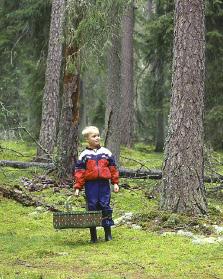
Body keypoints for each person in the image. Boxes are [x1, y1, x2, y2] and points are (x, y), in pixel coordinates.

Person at [73, 126, 119, 243]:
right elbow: (80, 172)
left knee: (105, 205)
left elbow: (113, 168)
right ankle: (93, 236)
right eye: (94, 136)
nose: (97, 138)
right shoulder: (84, 155)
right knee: (92, 206)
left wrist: (115, 183)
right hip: (91, 185)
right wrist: (78, 187)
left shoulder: (106, 152)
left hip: (104, 184)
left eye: (98, 135)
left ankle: (107, 234)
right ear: (87, 139)